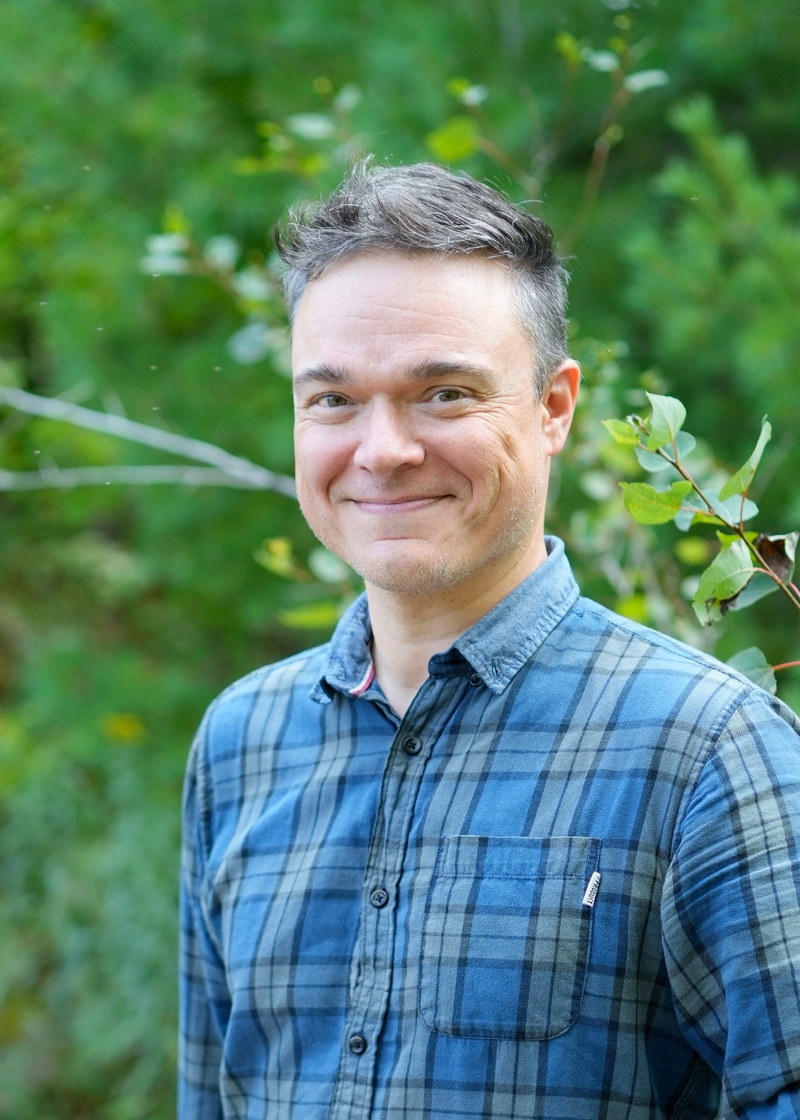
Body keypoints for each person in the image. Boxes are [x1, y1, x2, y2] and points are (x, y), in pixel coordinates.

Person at [179, 162, 800, 1120]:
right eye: (334, 400)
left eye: (445, 393)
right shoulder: (239, 742)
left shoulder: (709, 750)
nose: (383, 450)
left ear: (554, 409)